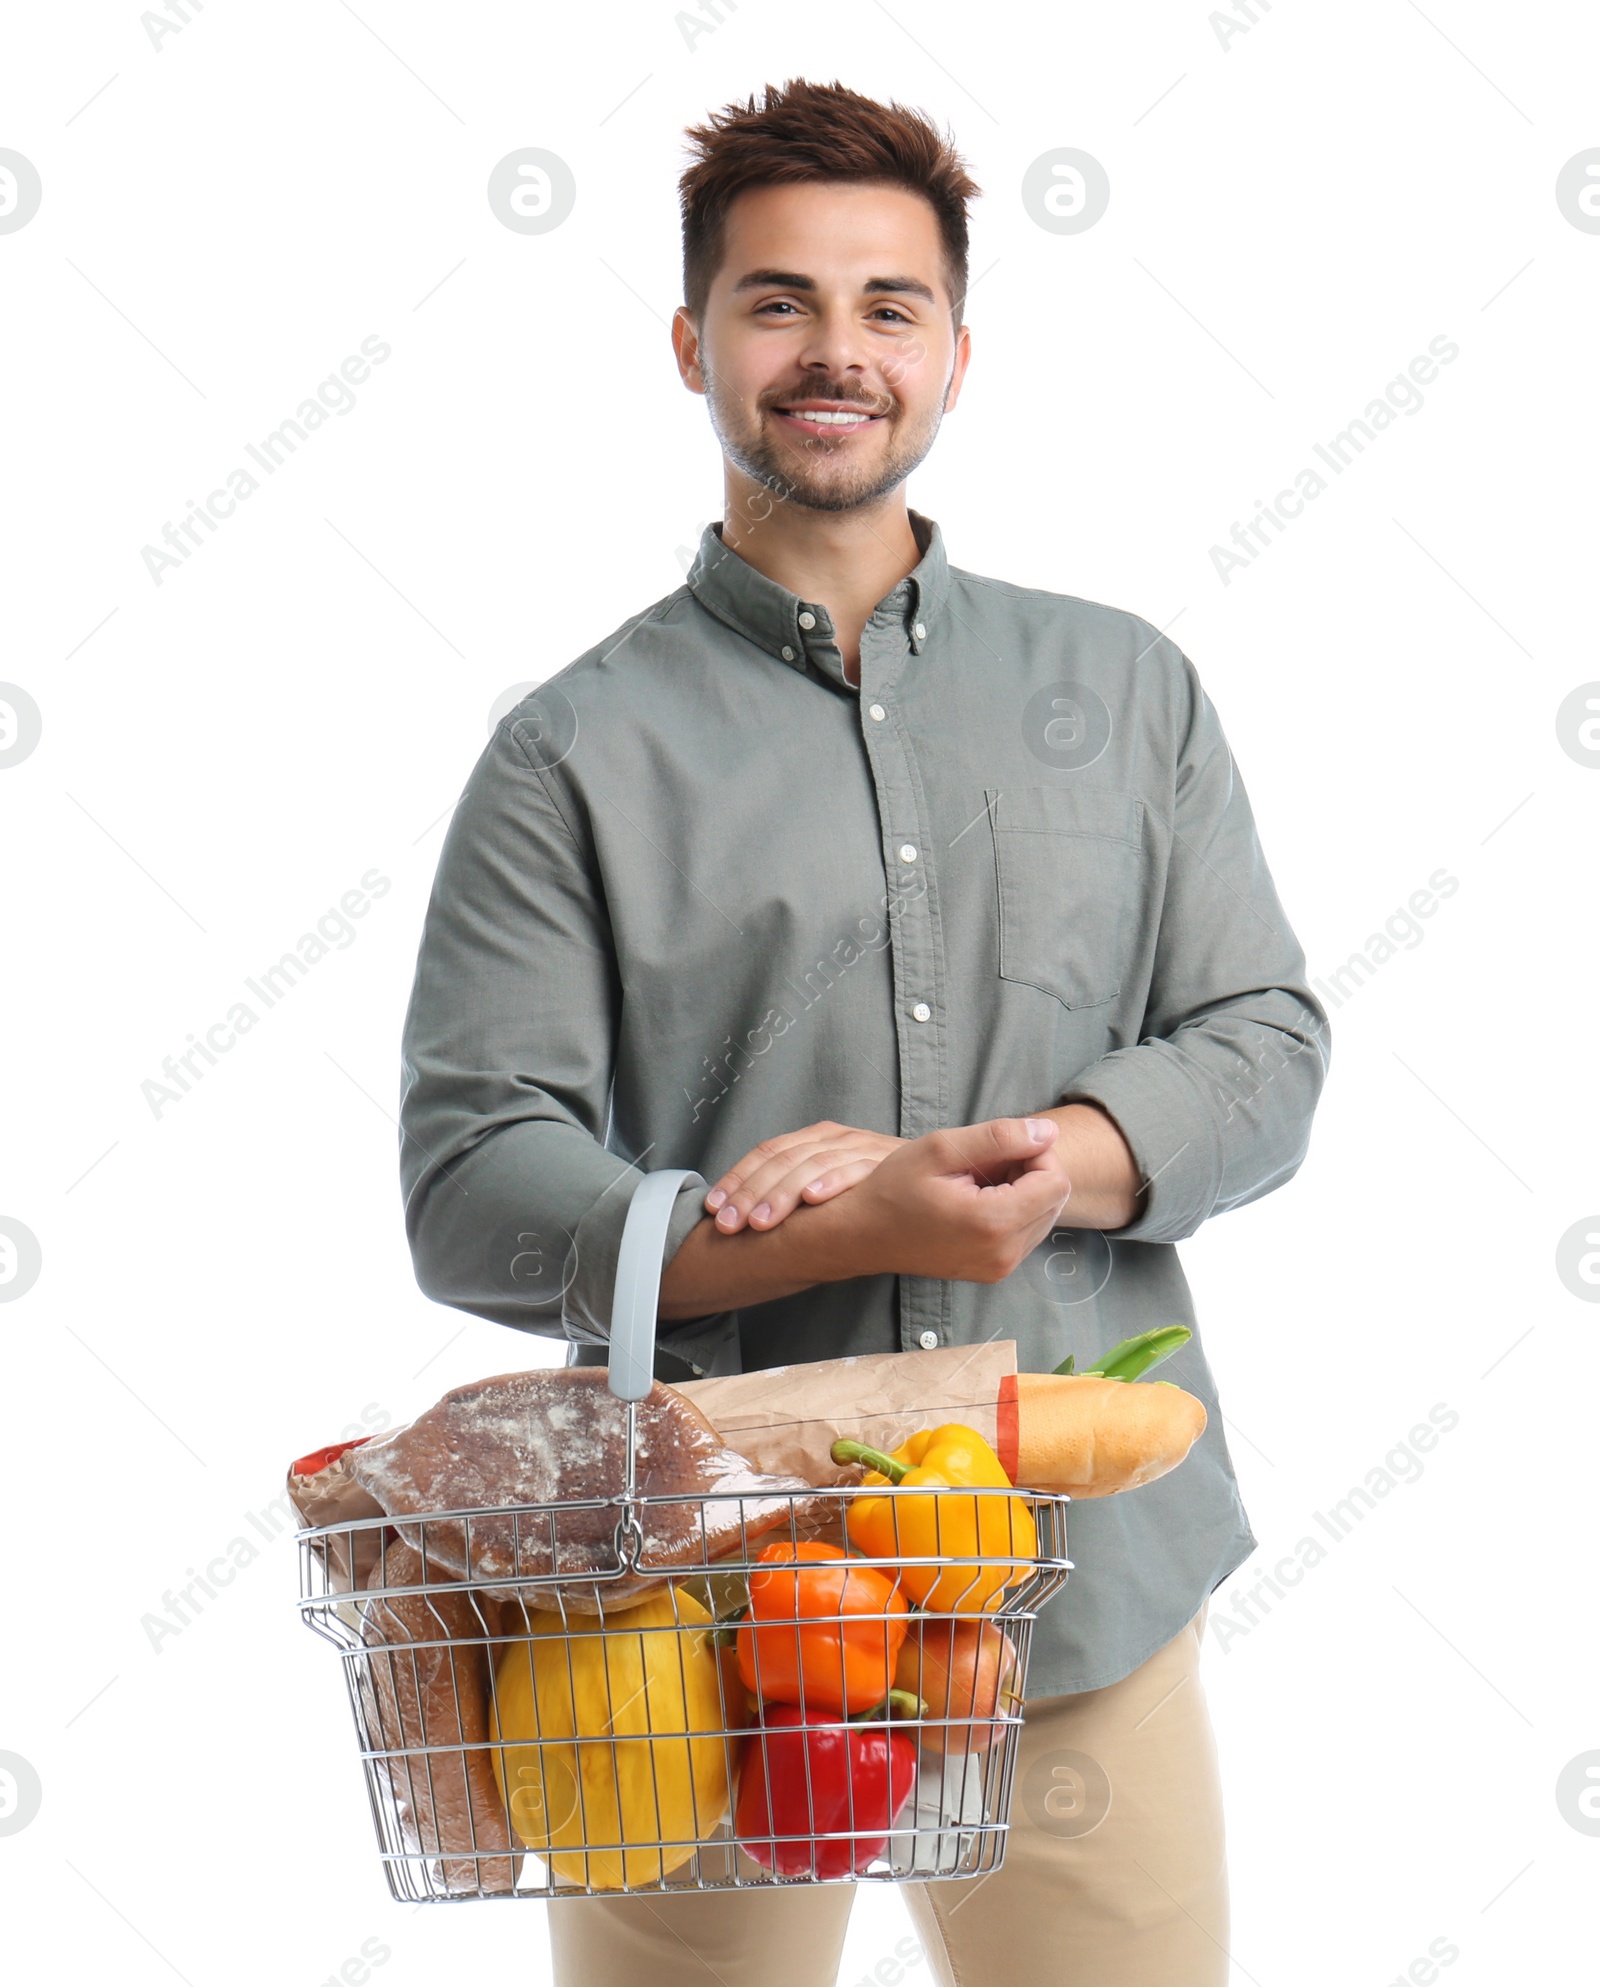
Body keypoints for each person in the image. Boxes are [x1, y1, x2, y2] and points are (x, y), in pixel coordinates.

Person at [398, 75, 1330, 1987]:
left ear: (957, 353)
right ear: (692, 343)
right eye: (777, 302)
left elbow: (1266, 1038)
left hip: (1071, 1592)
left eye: (887, 305)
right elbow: (474, 1180)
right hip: (692, 1616)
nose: (836, 352)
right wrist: (864, 1226)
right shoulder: (567, 754)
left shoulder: (1128, 688)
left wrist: (1044, 1163)